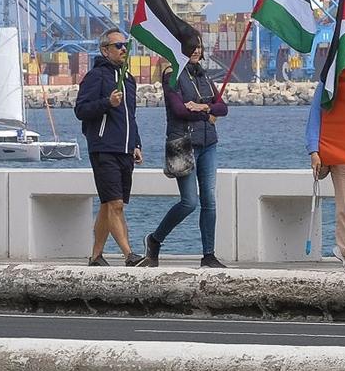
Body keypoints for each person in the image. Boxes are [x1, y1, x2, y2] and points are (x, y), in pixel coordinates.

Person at [144, 33, 229, 268]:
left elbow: (223, 108)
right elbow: (179, 110)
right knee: (189, 201)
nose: (196, 50)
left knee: (209, 201)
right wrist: (208, 112)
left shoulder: (203, 75)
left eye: (199, 46)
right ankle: (155, 239)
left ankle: (208, 255)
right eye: (191, 46)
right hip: (182, 143)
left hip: (208, 143)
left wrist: (203, 106)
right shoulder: (172, 74)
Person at [74, 28, 144, 266]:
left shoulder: (129, 79)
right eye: (118, 46)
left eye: (125, 45)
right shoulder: (96, 76)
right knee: (115, 205)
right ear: (105, 50)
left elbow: (130, 116)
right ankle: (129, 255)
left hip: (125, 149)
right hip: (104, 148)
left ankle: (95, 256)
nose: (124, 49)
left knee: (109, 204)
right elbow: (81, 110)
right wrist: (107, 102)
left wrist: (136, 143)